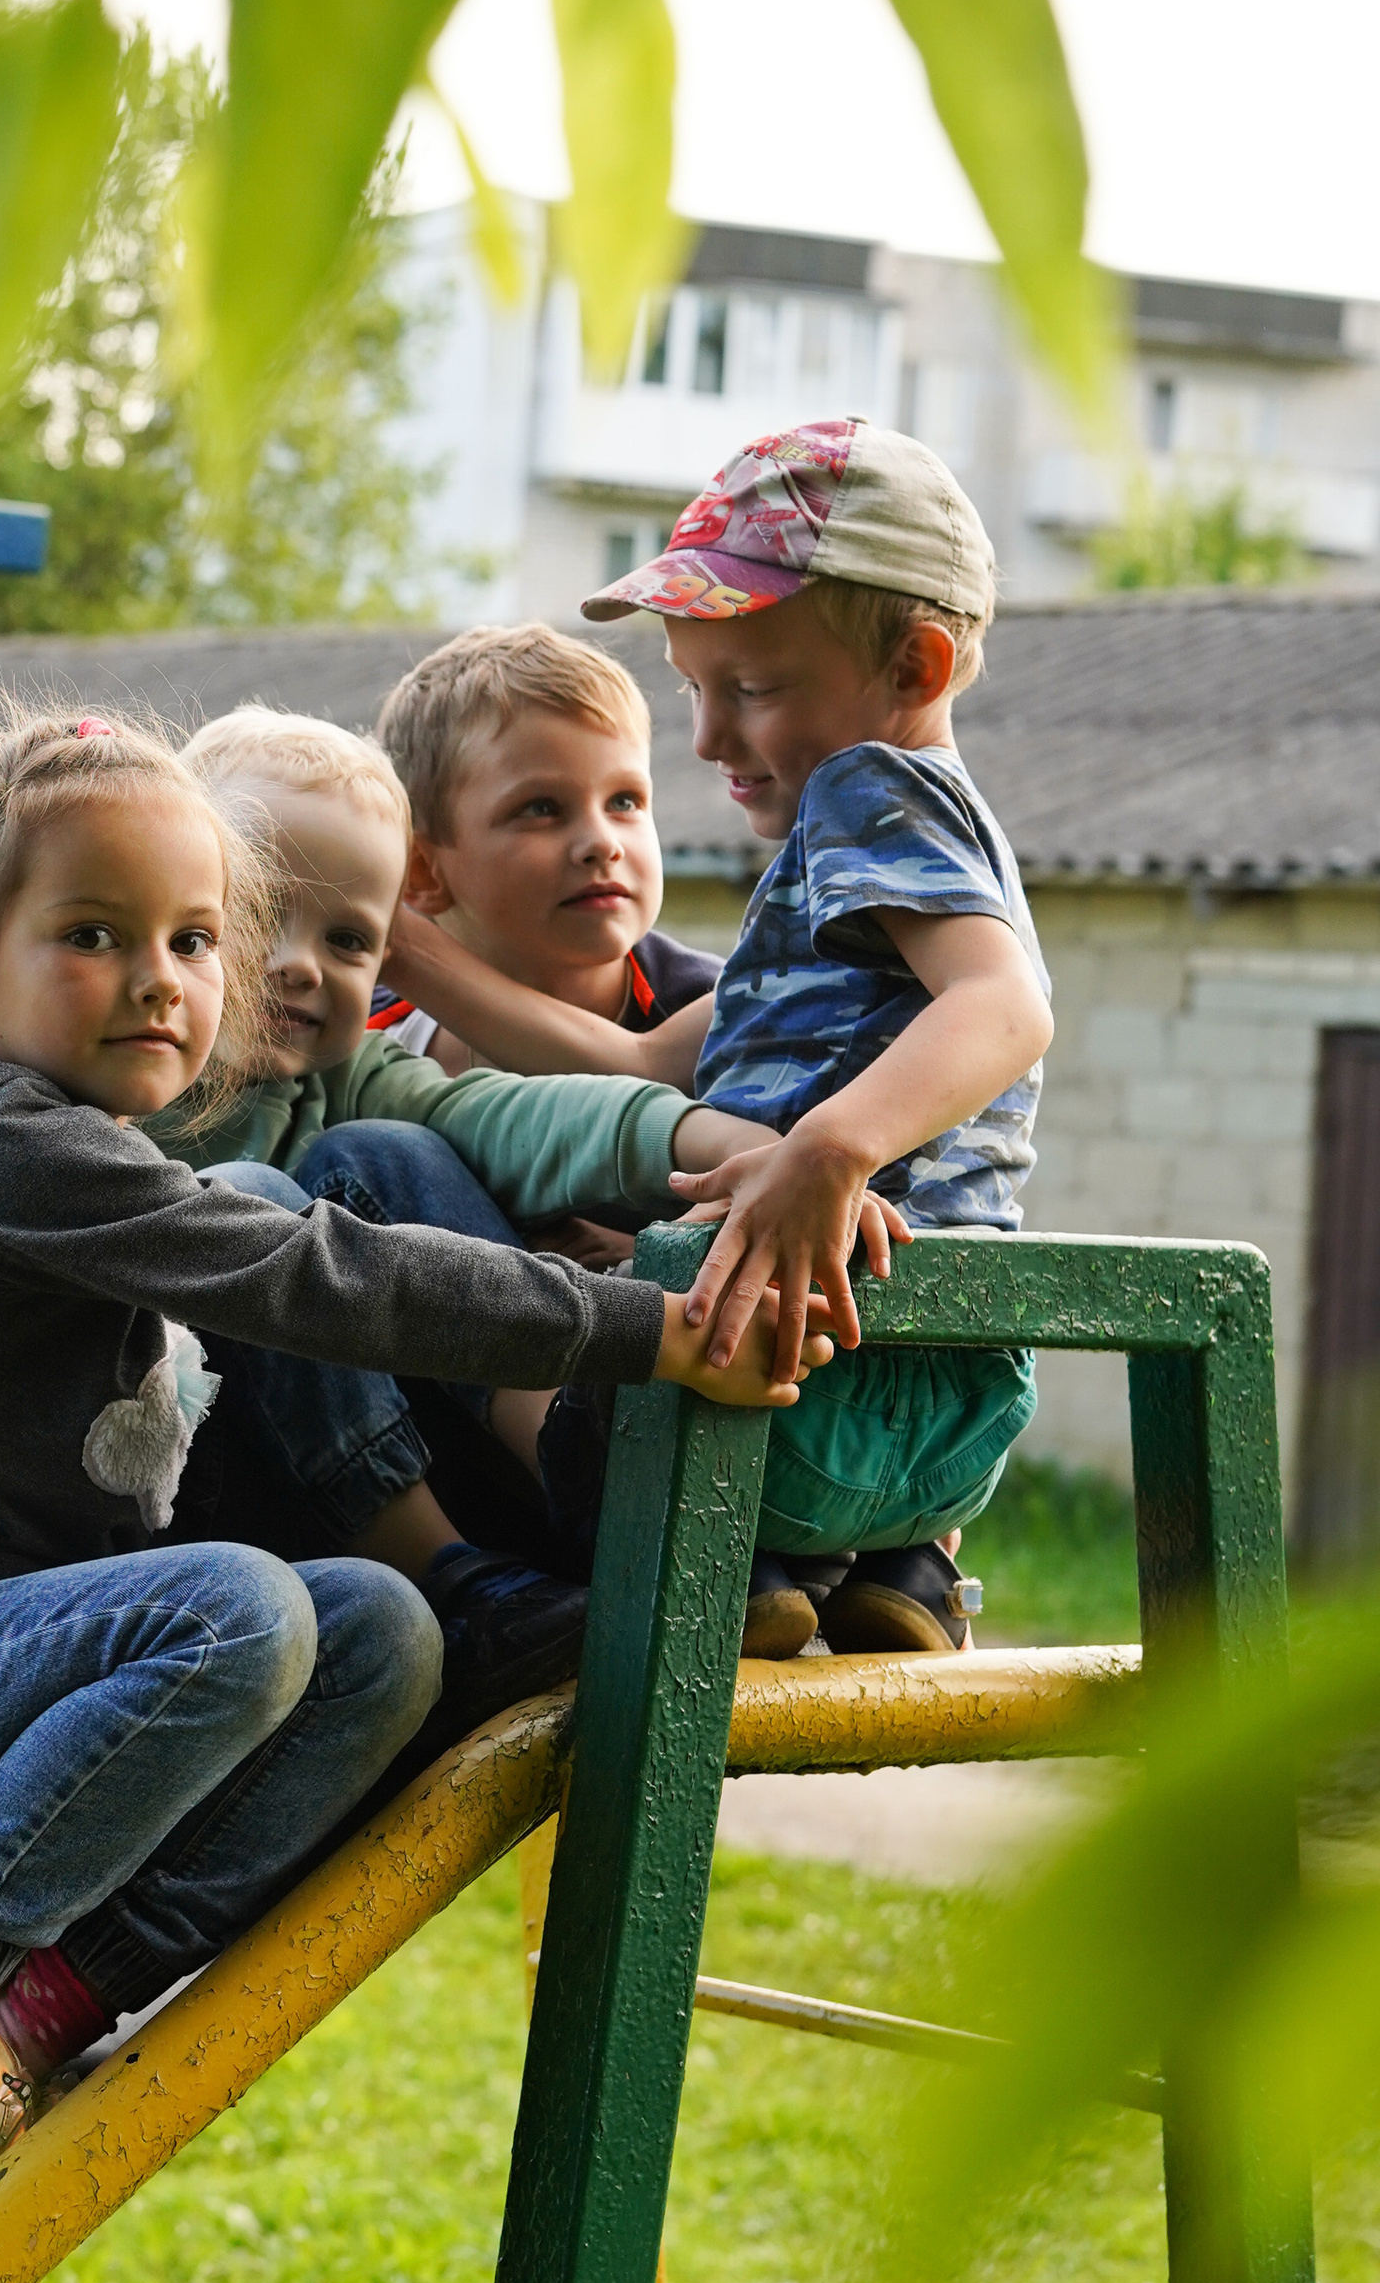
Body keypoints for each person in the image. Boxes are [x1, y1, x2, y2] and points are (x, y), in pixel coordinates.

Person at [0, 705, 827, 2206]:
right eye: (93, 933)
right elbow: (327, 1275)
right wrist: (644, 1326)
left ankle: (23, 2015)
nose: (159, 980)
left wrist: (704, 1147)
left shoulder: (122, 1149)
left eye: (195, 942)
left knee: (379, 1637)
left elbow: (443, 1164)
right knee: (240, 1609)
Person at [147, 701, 788, 1725]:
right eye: (262, 914)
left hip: (348, 1457)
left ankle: (613, 1510)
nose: (305, 963)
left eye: (351, 939)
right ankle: (453, 1581)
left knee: (398, 1151)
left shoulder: (344, 1075)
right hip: (180, 1489)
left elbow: (510, 1114)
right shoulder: (108, 1079)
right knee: (255, 1209)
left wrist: (706, 1142)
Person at [562, 414, 1055, 1658]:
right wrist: (415, 959)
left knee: (571, 1397)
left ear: (916, 666)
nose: (709, 740)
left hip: (795, 1355)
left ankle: (751, 1565)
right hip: (955, 1394)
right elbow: (632, 1062)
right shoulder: (858, 906)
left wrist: (829, 1149)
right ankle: (900, 1570)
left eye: (752, 689)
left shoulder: (866, 790)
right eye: (695, 690)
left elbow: (1005, 1009)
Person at [365, 623, 726, 1090]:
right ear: (422, 872)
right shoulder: (359, 1038)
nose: (602, 843)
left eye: (624, 801)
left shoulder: (721, 1007)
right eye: (542, 809)